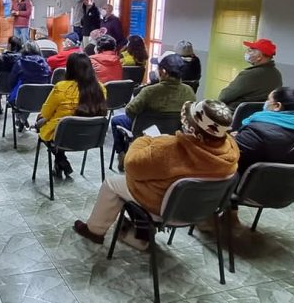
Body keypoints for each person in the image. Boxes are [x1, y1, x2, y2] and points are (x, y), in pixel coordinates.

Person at [73, 100, 239, 247]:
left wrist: (146, 140)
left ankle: (94, 231)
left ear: (193, 126)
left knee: (112, 183)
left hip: (163, 207)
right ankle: (139, 235)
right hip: (198, 210)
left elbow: (131, 165)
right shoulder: (230, 152)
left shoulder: (170, 149)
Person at [110, 54, 195, 171]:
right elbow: (189, 114)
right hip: (174, 134)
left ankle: (123, 155)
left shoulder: (149, 91)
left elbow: (130, 110)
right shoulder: (189, 92)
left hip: (145, 133)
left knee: (115, 120)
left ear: (163, 72)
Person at [37, 53, 107, 178]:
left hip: (62, 137)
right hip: (91, 137)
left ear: (69, 69)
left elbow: (46, 113)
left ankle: (61, 160)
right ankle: (60, 161)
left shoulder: (61, 87)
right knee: (63, 128)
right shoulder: (101, 88)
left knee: (45, 125)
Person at [234, 87, 294, 174]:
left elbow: (231, 157)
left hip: (248, 180)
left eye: (268, 100)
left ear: (277, 106)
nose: (265, 102)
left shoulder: (255, 132)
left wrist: (231, 139)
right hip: (289, 182)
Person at [218, 38, 283, 110]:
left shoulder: (250, 74)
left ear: (259, 57)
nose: (247, 53)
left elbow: (223, 97)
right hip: (257, 113)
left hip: (234, 113)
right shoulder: (277, 74)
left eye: (250, 51)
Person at [8, 42, 51, 131]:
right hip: (42, 101)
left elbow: (11, 81)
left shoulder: (20, 63)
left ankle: (20, 118)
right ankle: (22, 119)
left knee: (20, 95)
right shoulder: (46, 64)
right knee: (32, 95)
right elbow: (49, 81)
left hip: (21, 100)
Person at [0, 36, 24, 114]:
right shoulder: (23, 59)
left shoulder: (1, 58)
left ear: (10, 45)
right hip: (16, 88)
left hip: (0, 87)